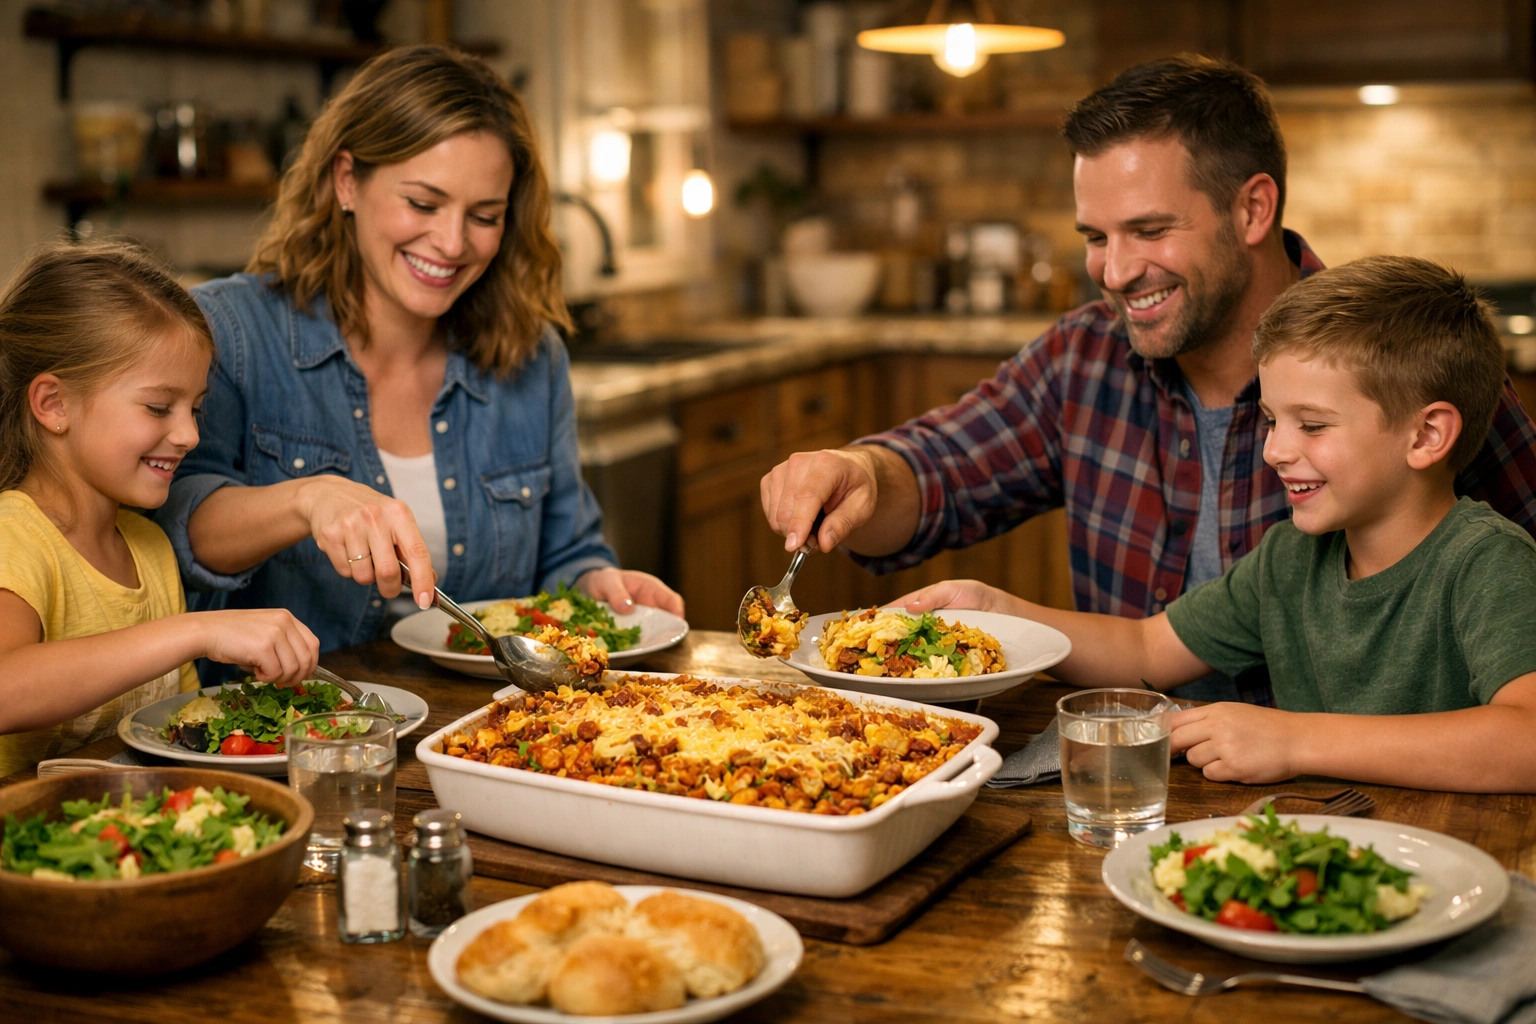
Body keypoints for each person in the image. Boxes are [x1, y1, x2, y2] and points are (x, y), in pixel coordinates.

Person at [758, 56, 1536, 704]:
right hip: (1131, 778)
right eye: (1096, 236)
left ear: (1252, 209)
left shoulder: (1400, 366)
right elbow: (940, 472)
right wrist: (858, 472)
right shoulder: (1085, 357)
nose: (1117, 270)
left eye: (1151, 229)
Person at [901, 257, 1536, 793]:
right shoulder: (1290, 559)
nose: (1276, 451)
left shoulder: (1487, 563)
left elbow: (1526, 738)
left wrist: (1295, 740)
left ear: (1426, 435)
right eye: (1270, 420)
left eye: (1311, 425)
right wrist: (996, 614)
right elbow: (1146, 650)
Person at [155, 45, 681, 663]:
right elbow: (173, 534)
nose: (453, 242)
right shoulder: (231, 331)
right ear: (347, 180)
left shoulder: (532, 357)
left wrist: (601, 589)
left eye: (484, 215)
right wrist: (305, 498)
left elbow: (566, 553)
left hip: (478, 728)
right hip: (291, 733)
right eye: (423, 204)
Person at [0, 242, 319, 777]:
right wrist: (196, 631)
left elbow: (178, 732)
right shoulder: (15, 534)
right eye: (157, 407)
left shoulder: (147, 547)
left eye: (195, 408)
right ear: (53, 405)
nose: (190, 434)